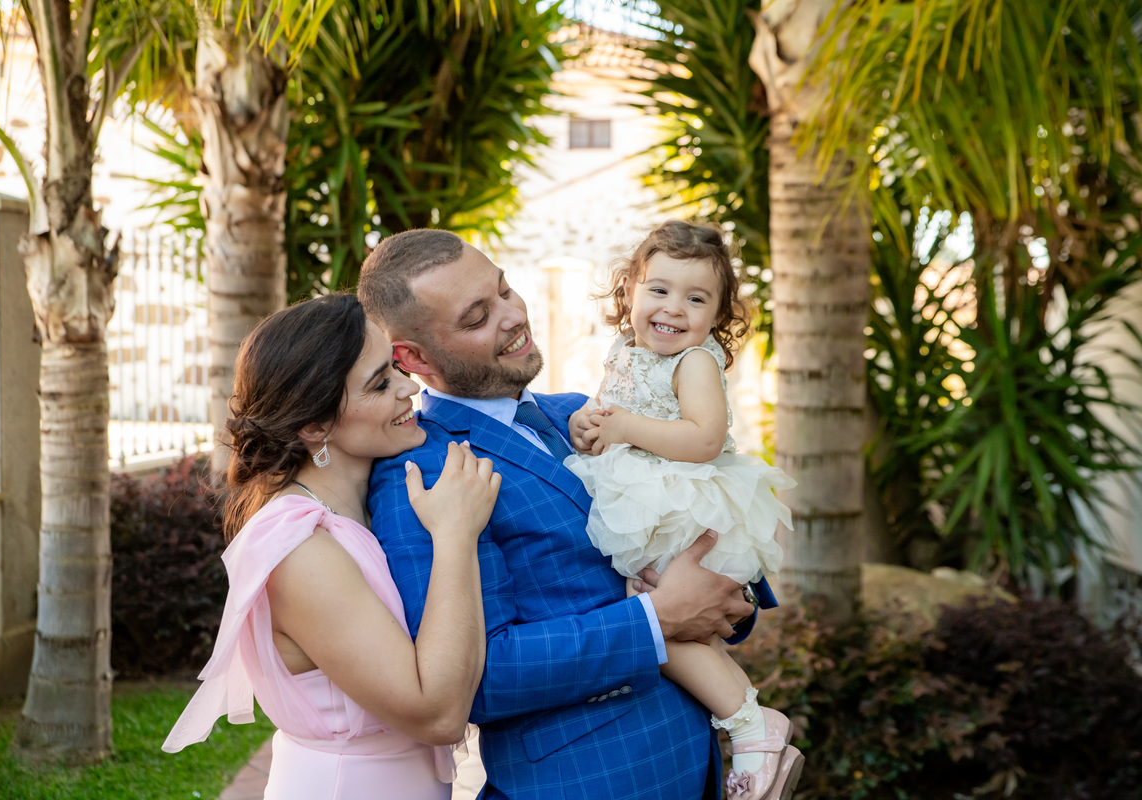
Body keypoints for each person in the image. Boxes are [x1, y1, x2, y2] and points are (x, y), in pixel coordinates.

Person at [357, 229, 769, 800]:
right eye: (478, 317)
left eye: (505, 289)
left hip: (695, 766)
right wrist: (659, 618)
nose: (513, 316)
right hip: (580, 783)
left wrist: (730, 596)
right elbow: (475, 678)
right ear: (413, 358)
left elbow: (697, 531)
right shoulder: (423, 473)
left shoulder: (583, 414)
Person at [162, 294, 501, 800]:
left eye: (396, 368)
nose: (409, 388)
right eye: (380, 384)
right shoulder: (303, 551)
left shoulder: (368, 507)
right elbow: (437, 714)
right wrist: (456, 535)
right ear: (315, 426)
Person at [564, 220, 802, 799]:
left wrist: (624, 427)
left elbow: (704, 438)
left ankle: (750, 725)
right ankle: (752, 731)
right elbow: (609, 413)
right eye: (659, 289)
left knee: (655, 620)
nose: (673, 307)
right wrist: (586, 422)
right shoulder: (626, 352)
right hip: (644, 504)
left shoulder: (695, 361)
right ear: (629, 291)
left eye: (696, 299)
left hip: (682, 508)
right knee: (665, 627)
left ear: (717, 314)